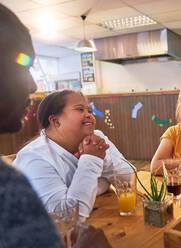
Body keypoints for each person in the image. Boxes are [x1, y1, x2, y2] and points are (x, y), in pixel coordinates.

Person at [0, 3, 110, 248]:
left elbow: (116, 179)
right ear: (54, 120)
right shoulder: (11, 179)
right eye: (22, 66)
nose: (33, 85)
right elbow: (69, 215)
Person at [14, 89, 134, 219]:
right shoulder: (34, 158)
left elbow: (129, 180)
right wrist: (91, 159)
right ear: (55, 121)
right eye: (80, 109)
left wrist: (103, 159)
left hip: (99, 217)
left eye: (89, 111)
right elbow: (67, 217)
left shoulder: (96, 139)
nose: (89, 115)